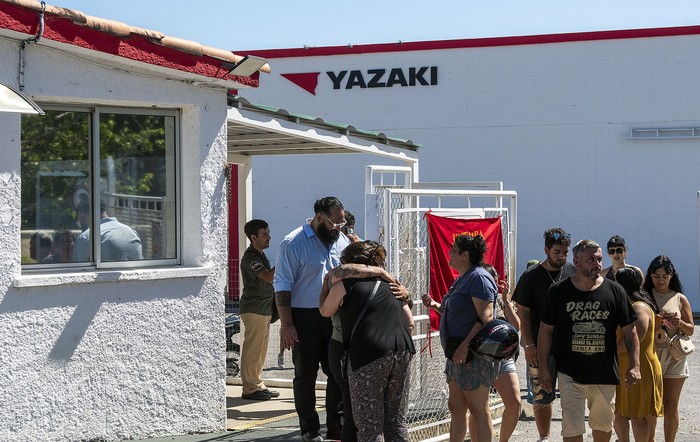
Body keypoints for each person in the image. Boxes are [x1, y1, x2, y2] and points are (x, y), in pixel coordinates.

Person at [538, 239, 641, 442]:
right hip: (570, 373)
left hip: (603, 373)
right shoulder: (559, 291)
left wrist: (635, 365)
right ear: (576, 261)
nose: (597, 264)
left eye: (599, 259)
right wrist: (544, 368)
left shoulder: (614, 291)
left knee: (602, 427)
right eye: (590, 259)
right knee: (571, 428)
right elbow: (545, 331)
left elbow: (630, 332)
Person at [320, 241, 415, 441]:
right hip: (402, 349)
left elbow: (325, 311)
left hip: (367, 354)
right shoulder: (392, 284)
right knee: (396, 421)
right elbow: (410, 321)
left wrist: (325, 284)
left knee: (369, 426)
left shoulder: (343, 284)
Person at [274, 196, 351, 442]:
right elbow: (282, 286)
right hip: (303, 316)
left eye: (343, 222)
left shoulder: (342, 240)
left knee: (337, 372)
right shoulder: (292, 243)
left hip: (334, 315)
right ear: (319, 217)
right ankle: (309, 429)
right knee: (305, 375)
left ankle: (336, 426)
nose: (339, 227)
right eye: (335, 222)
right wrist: (286, 324)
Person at [421, 234, 499, 442]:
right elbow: (456, 312)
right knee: (456, 408)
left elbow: (486, 317)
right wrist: (435, 306)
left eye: (454, 249)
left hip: (473, 355)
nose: (449, 252)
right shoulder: (464, 278)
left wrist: (465, 346)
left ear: (465, 255)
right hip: (457, 355)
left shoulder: (478, 278)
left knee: (478, 410)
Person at [512, 227, 576, 442]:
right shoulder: (531, 276)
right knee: (541, 395)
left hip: (568, 346)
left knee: (572, 395)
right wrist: (529, 346)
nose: (562, 256)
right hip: (539, 346)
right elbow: (524, 314)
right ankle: (544, 437)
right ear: (546, 249)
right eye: (557, 252)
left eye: (565, 252)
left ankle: (571, 435)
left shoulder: (573, 271)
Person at [643, 255, 694, 442]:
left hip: (675, 356)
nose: (661, 280)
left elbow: (690, 329)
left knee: (671, 405)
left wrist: (678, 322)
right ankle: (650, 439)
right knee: (651, 403)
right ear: (650, 276)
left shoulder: (680, 298)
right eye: (657, 276)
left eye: (665, 276)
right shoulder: (644, 295)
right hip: (652, 354)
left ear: (671, 276)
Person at [469, 263, 521, 442]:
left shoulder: (500, 299)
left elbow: (516, 326)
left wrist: (506, 300)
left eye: (494, 281)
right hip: (479, 357)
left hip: (502, 357)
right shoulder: (473, 298)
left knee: (514, 403)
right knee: (479, 408)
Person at [613, 267, 663, 442]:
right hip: (624, 365)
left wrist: (606, 350)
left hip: (638, 365)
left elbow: (635, 339)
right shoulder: (628, 305)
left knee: (636, 415)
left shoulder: (639, 307)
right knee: (620, 412)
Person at [238, 219, 279, 401]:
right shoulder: (250, 257)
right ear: (253, 237)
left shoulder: (260, 254)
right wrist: (286, 260)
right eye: (264, 234)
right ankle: (249, 388)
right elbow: (268, 277)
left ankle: (257, 384)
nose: (269, 237)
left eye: (268, 233)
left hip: (263, 309)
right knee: (252, 349)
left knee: (261, 350)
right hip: (254, 309)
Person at [73, 202, 143, 261]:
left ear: (82, 216)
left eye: (80, 221)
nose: (82, 224)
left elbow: (79, 268)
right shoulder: (131, 232)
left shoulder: (86, 237)